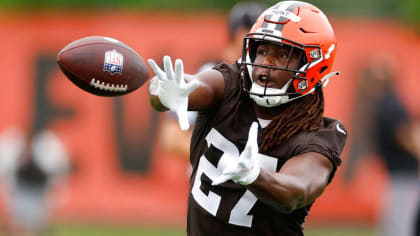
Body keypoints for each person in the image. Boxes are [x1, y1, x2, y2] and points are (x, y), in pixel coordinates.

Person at [148, 1, 346, 235]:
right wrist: (167, 91)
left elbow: (298, 190)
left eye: (282, 54)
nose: (266, 64)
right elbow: (192, 85)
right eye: (261, 51)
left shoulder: (319, 134)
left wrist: (255, 176)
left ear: (312, 64)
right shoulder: (231, 84)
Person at [159, 1, 265, 161]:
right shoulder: (211, 73)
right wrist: (223, 161)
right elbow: (172, 137)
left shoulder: (260, 81)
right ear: (241, 34)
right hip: (210, 183)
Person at [344, 53, 420, 236]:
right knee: (397, 222)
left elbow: (406, 135)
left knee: (401, 224)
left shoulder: (389, 104)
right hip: (399, 173)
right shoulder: (385, 102)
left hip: (406, 173)